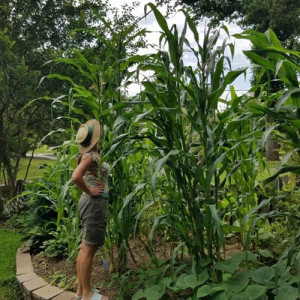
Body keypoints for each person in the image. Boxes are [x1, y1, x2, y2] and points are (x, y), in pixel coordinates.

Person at [72, 119, 109, 300]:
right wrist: (91, 190)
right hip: (93, 204)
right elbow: (76, 176)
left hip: (88, 203)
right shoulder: (91, 157)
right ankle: (87, 294)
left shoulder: (87, 156)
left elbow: (82, 175)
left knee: (85, 247)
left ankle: (80, 291)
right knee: (89, 248)